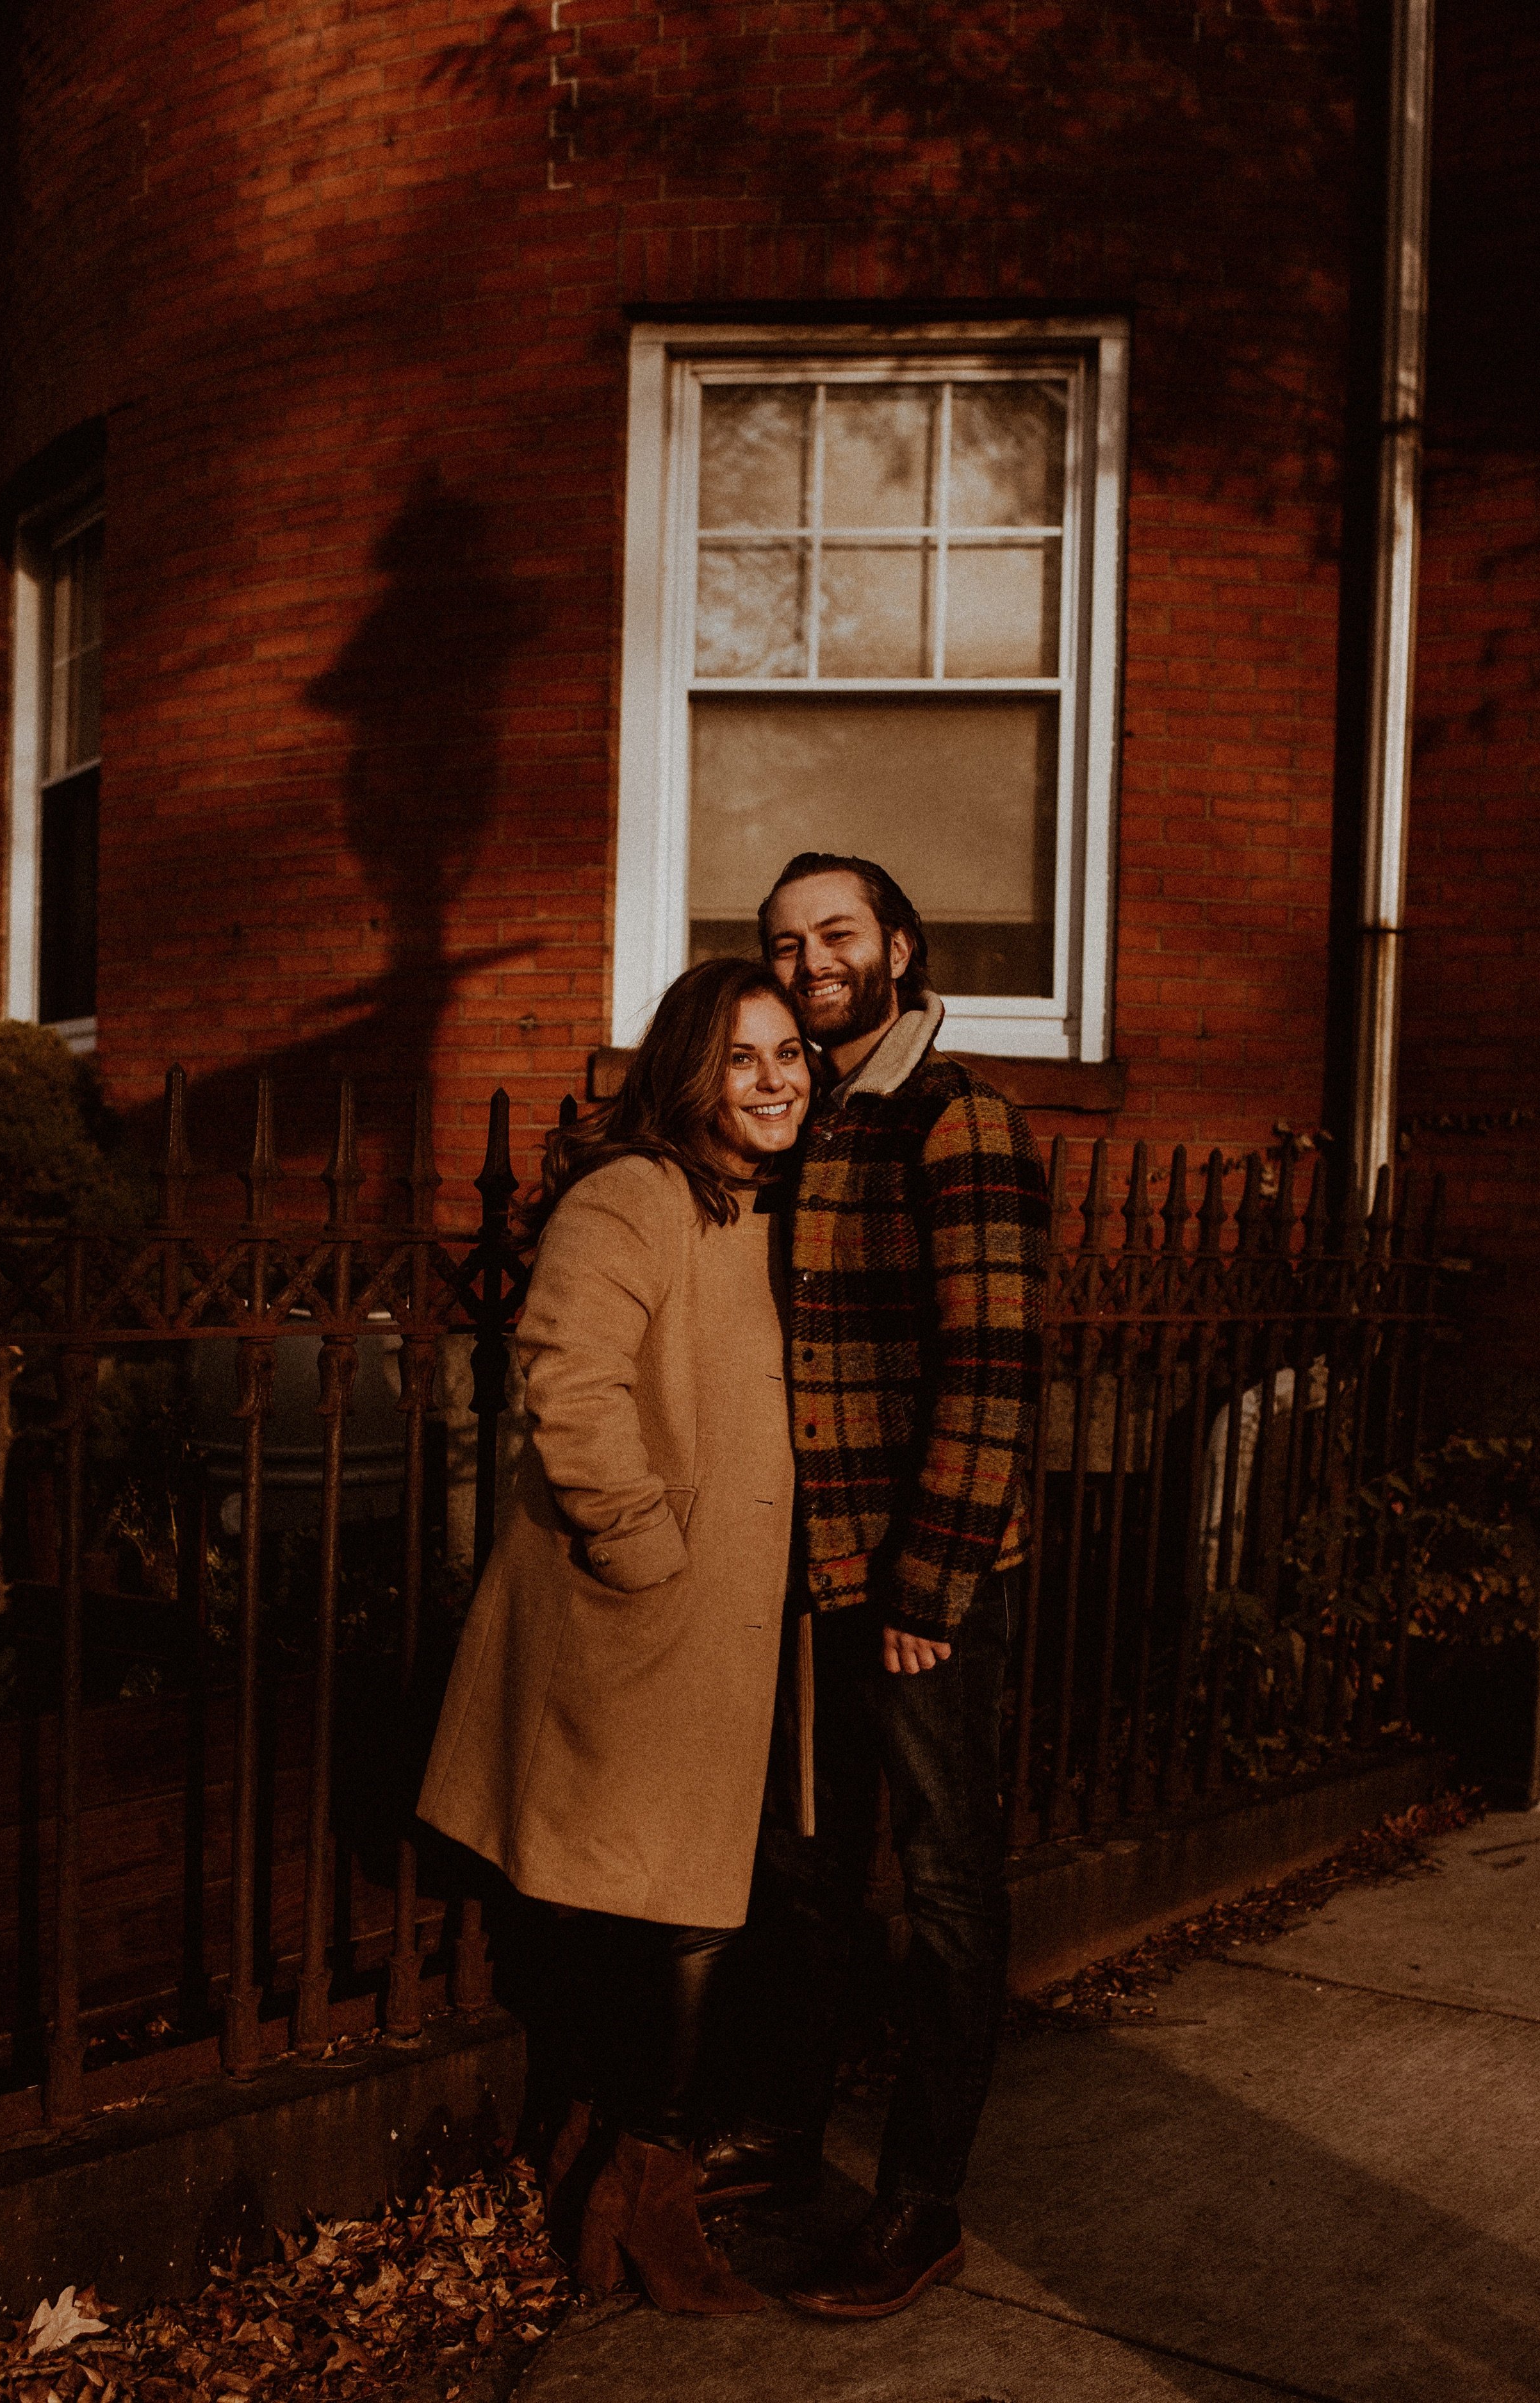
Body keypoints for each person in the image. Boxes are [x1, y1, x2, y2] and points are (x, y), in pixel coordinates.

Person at [417, 956, 811, 2315]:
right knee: (681, 1911)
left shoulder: (758, 1206)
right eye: (744, 1058)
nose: (774, 1082)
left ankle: (602, 2166)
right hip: (638, 1614)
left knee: (671, 1906)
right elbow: (565, 1376)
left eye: (790, 1056)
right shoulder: (633, 1192)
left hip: (723, 1622)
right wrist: (647, 1543)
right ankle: (646, 2199)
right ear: (688, 1073)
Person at [698, 853, 1048, 2319]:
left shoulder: (954, 1116)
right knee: (805, 1872)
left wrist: (926, 1586)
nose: (809, 959)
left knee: (948, 1887)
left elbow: (992, 1369)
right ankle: (778, 2134)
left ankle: (921, 2203)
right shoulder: (804, 1117)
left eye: (835, 933)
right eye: (784, 943)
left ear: (897, 946)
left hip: (921, 1588)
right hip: (810, 1575)